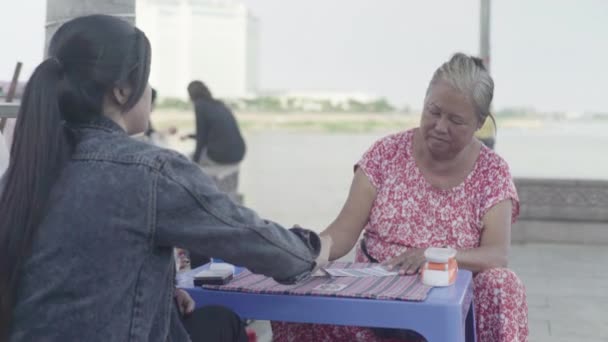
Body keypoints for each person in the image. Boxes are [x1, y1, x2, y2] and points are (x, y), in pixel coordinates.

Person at [0, 15, 330, 342]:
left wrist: (166, 292)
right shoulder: (151, 172)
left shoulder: (18, 177)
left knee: (218, 319)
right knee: (225, 323)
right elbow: (263, 246)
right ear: (121, 90)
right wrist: (312, 247)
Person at [272, 53, 528, 342]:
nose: (441, 126)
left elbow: (496, 255)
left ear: (479, 122)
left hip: (451, 306)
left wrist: (434, 257)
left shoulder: (492, 172)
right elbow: (343, 232)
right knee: (298, 287)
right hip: (378, 302)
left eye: (456, 120)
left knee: (504, 284)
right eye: (434, 111)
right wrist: (303, 250)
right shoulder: (385, 154)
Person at [185, 80, 246, 167]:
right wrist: (190, 136)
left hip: (222, 156)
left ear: (191, 94)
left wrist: (195, 163)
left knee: (185, 160)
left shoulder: (200, 105)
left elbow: (202, 138)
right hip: (239, 153)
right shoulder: (219, 104)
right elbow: (214, 134)